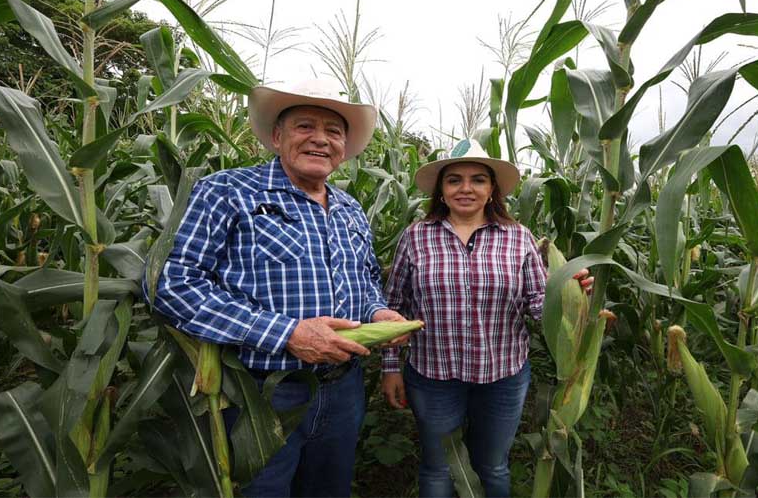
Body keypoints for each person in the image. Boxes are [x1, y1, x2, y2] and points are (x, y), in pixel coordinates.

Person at [146, 78, 409, 497]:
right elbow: (173, 284)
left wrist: (376, 313)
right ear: (276, 136)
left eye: (333, 132)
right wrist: (289, 334)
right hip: (263, 391)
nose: (320, 139)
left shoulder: (350, 209)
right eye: (305, 126)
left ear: (344, 147)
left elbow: (366, 282)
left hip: (343, 390)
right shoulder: (227, 192)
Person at [380, 139, 592, 498]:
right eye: (454, 180)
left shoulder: (518, 238)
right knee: (438, 467)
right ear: (441, 191)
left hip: (502, 376)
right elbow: (395, 306)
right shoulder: (416, 237)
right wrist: (389, 367)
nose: (466, 188)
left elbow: (540, 303)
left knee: (492, 465)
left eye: (478, 179)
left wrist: (575, 300)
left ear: (492, 189)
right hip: (433, 375)